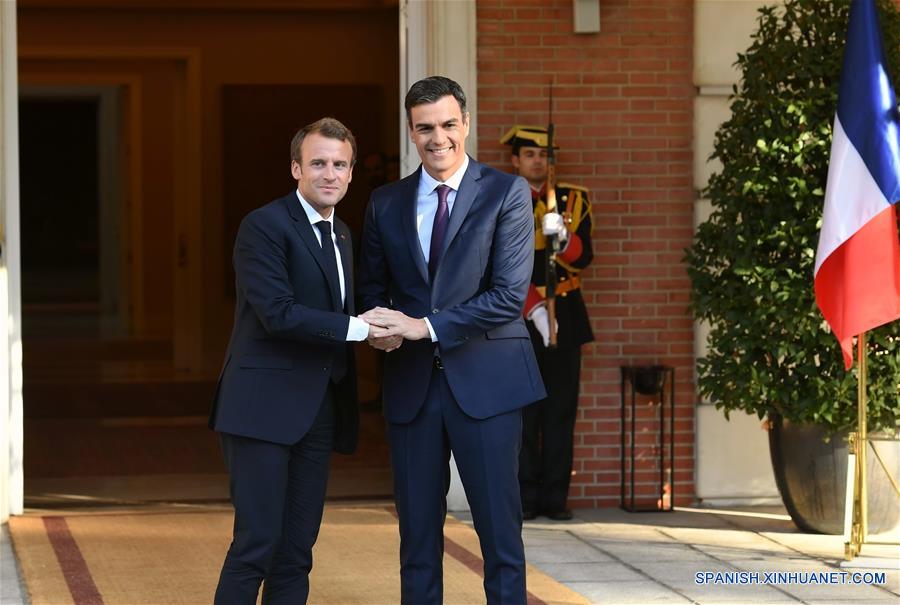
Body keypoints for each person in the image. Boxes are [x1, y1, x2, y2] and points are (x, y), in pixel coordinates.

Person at [358, 76, 546, 605]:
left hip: (489, 385)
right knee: (417, 537)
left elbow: (508, 296)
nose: (437, 138)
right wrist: (380, 331)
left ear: (465, 122)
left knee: (499, 535)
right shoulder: (384, 202)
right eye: (424, 128)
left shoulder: (506, 192)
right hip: (411, 388)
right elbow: (372, 288)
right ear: (410, 132)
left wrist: (423, 327)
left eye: (447, 124)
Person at [209, 117, 378, 604]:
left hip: (317, 410)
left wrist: (383, 327)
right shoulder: (264, 226)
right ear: (295, 169)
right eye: (318, 163)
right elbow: (278, 314)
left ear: (351, 173)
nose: (330, 174)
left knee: (296, 551)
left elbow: (338, 311)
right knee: (256, 546)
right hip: (261, 410)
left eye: (340, 165)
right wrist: (361, 329)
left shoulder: (342, 233)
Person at [500, 125, 595, 521]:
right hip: (519, 316)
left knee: (560, 411)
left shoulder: (573, 199)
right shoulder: (502, 198)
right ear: (515, 160)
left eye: (544, 155)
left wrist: (564, 238)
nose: (538, 161)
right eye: (530, 154)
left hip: (566, 313)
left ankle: (555, 498)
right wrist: (533, 306)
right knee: (523, 413)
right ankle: (525, 498)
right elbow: (499, 265)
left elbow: (584, 258)